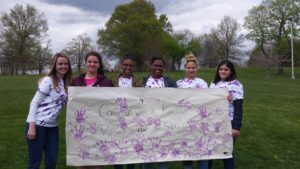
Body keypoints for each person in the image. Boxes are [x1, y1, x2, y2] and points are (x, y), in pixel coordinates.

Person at [25, 53, 73, 169]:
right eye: (60, 63)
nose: (63, 66)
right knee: (34, 163)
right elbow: (34, 102)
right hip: (38, 125)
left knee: (51, 161)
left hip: (52, 128)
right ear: (54, 65)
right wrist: (32, 126)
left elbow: (68, 104)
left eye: (65, 64)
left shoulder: (65, 83)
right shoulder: (48, 80)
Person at [72, 51, 113, 169]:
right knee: (82, 160)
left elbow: (111, 103)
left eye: (95, 62)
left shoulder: (106, 82)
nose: (92, 64)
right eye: (89, 61)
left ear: (99, 64)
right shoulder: (76, 81)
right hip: (81, 126)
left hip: (99, 126)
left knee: (98, 160)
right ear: (86, 63)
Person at [141, 57, 176, 169]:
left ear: (163, 67)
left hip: (164, 122)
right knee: (147, 151)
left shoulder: (170, 82)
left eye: (160, 66)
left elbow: (178, 98)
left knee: (163, 152)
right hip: (147, 122)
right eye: (155, 65)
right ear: (151, 66)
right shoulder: (142, 81)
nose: (158, 68)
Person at [209, 60, 244, 169]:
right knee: (210, 149)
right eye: (221, 69)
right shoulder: (214, 83)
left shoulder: (236, 84)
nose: (223, 71)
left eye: (226, 69)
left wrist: (236, 127)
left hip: (228, 122)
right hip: (213, 121)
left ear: (231, 71)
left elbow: (238, 107)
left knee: (226, 151)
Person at [176, 53, 209, 169]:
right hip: (184, 121)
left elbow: (210, 99)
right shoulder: (179, 84)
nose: (191, 70)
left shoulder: (203, 83)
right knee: (186, 147)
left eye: (193, 67)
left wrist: (224, 97)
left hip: (200, 120)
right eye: (189, 67)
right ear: (185, 68)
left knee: (202, 147)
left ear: (197, 69)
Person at [112, 55, 142, 169]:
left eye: (131, 65)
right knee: (117, 147)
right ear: (121, 65)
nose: (128, 67)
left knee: (131, 148)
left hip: (132, 120)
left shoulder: (138, 82)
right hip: (115, 119)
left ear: (133, 67)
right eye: (126, 65)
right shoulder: (113, 80)